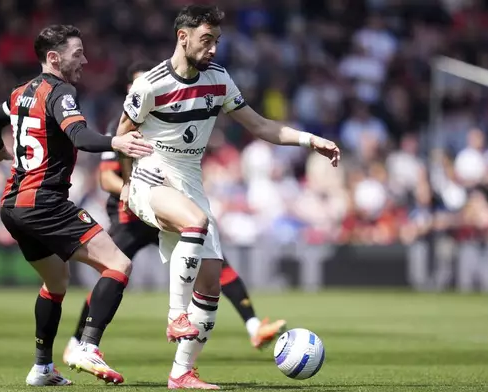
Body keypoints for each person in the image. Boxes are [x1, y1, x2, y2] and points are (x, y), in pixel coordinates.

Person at [116, 5, 341, 389]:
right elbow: (122, 137)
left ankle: (181, 373)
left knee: (210, 285)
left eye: (217, 41)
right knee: (196, 223)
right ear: (182, 37)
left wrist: (310, 140)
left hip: (190, 183)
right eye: (207, 40)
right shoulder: (150, 85)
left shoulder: (219, 80)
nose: (214, 49)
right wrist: (126, 183)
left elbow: (259, 125)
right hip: (150, 178)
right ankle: (175, 315)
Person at [63, 61, 287, 364]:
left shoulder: (172, 116)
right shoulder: (120, 127)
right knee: (113, 271)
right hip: (131, 215)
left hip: (166, 205)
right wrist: (127, 189)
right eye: (138, 83)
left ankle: (253, 326)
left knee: (215, 262)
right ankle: (78, 342)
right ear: (131, 89)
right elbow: (105, 178)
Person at [0, 24, 153, 387]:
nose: (85, 60)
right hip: (44, 202)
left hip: (12, 205)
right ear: (54, 58)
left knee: (57, 280)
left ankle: (42, 368)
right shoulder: (61, 93)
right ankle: (86, 346)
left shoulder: (18, 93)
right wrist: (116, 142)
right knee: (119, 264)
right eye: (78, 53)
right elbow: (81, 137)